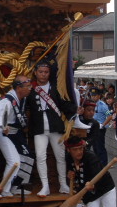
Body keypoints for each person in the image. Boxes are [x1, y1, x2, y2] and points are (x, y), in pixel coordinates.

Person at [26, 61, 78, 196]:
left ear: (49, 73)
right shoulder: (30, 89)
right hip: (39, 128)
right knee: (40, 157)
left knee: (60, 157)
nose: (43, 74)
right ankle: (45, 186)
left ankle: (63, 184)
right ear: (35, 73)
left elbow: (64, 104)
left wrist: (75, 110)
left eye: (46, 72)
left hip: (56, 127)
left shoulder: (56, 88)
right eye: (41, 72)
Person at [0, 75, 34, 196]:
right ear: (18, 88)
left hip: (15, 133)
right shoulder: (7, 100)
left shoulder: (22, 98)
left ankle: (16, 186)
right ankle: (4, 188)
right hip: (2, 132)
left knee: (27, 157)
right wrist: (3, 125)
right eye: (27, 86)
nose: (30, 88)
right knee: (14, 161)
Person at [90, 88, 110, 167]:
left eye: (95, 95)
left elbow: (110, 116)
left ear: (99, 96)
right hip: (93, 127)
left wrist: (103, 124)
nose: (93, 97)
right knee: (94, 147)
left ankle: (104, 165)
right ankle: (97, 164)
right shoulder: (91, 104)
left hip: (100, 129)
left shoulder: (103, 105)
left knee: (100, 147)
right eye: (92, 95)